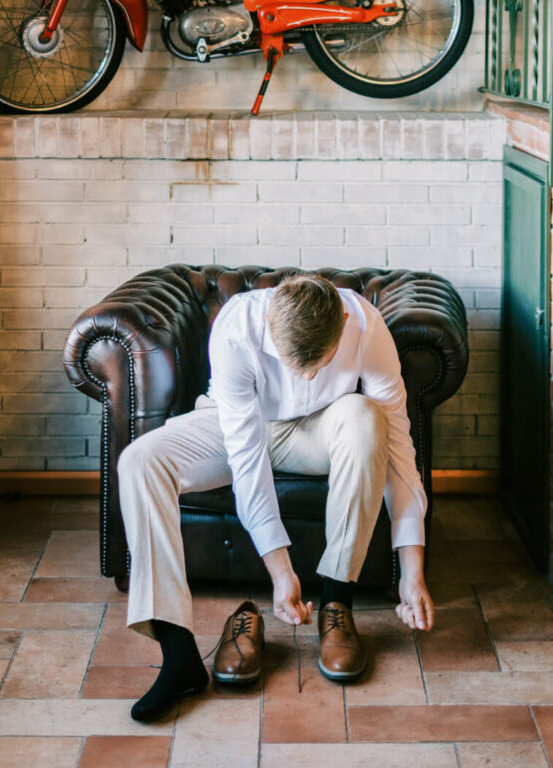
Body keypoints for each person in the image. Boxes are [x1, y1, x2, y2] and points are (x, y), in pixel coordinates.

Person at [118, 273, 435, 722]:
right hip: (236, 423)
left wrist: (412, 568)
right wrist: (280, 570)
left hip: (317, 428)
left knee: (368, 418)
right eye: (292, 363)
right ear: (269, 324)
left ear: (343, 320)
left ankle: (337, 602)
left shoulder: (366, 325)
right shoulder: (235, 328)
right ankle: (179, 656)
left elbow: (400, 448)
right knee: (139, 462)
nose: (304, 375)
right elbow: (246, 457)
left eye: (317, 364)